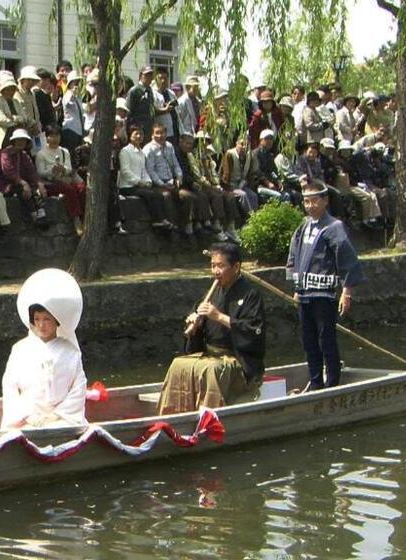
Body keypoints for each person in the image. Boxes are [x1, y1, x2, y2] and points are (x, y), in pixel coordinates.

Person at [157, 243, 266, 415]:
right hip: (210, 355)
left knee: (211, 371)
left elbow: (254, 332)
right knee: (178, 365)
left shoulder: (250, 294)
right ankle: (175, 415)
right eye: (213, 265)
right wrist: (195, 327)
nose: (215, 271)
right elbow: (198, 331)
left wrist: (219, 317)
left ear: (236, 267)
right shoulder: (212, 292)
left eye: (221, 266)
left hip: (236, 358)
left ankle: (209, 421)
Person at [286, 182, 364, 390]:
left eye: (314, 201)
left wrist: (346, 291)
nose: (310, 206)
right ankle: (315, 381)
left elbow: (348, 260)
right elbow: (293, 257)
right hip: (304, 293)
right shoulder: (303, 226)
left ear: (325, 201)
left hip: (324, 294)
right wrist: (296, 287)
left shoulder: (334, 227)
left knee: (325, 339)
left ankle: (331, 382)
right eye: (306, 201)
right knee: (308, 341)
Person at [1, 268, 87, 430]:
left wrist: (56, 415)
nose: (41, 325)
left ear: (56, 320)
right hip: (27, 419)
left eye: (47, 319)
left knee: (64, 428)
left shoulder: (70, 351)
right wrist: (27, 416)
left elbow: (78, 389)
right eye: (37, 319)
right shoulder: (20, 350)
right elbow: (9, 386)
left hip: (62, 419)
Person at [117, 125, 174, 229]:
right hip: (127, 187)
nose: (139, 136)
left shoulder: (141, 153)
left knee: (159, 193)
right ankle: (158, 220)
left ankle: (163, 220)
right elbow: (125, 171)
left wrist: (148, 181)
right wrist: (139, 182)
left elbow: (144, 170)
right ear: (130, 136)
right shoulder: (125, 151)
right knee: (150, 194)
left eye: (141, 134)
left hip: (139, 186)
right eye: (136, 134)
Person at [35, 125, 86, 235]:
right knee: (68, 189)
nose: (55, 139)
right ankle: (76, 218)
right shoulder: (41, 154)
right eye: (52, 136)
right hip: (50, 183)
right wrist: (52, 171)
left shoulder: (64, 151)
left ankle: (84, 217)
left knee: (81, 188)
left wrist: (63, 169)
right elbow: (40, 172)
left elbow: (69, 168)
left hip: (64, 179)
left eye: (57, 136)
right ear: (47, 138)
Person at [0, 128, 48, 225]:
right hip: (6, 185)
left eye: (23, 140)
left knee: (35, 188)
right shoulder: (5, 153)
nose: (21, 142)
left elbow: (31, 171)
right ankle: (33, 216)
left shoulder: (23, 155)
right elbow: (8, 173)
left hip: (21, 183)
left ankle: (41, 214)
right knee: (23, 190)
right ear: (14, 141)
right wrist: (23, 183)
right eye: (19, 140)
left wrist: (40, 184)